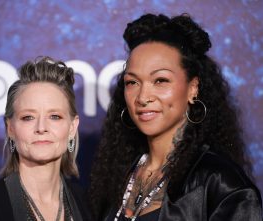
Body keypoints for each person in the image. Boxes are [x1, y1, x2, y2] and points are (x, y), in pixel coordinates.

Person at [89, 13, 263, 221]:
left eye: (160, 80)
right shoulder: (119, 175)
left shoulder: (222, 184)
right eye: (132, 82)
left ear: (193, 88)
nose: (143, 97)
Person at [0, 56, 90, 221]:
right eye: (28, 117)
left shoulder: (89, 206)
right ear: (11, 128)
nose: (41, 128)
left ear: (72, 127)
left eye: (55, 116)